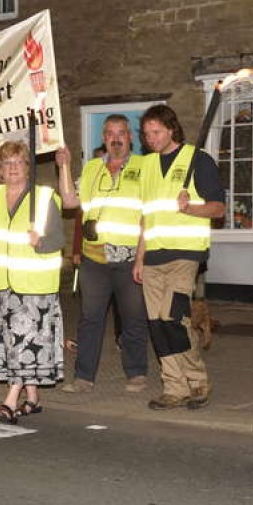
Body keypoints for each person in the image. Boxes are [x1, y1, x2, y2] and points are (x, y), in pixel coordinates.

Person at [133, 104, 225, 410]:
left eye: (156, 131)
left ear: (172, 129)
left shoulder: (197, 160)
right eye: (146, 134)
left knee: (174, 319)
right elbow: (145, 217)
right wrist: (139, 258)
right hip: (153, 257)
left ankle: (197, 382)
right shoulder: (146, 166)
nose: (151, 138)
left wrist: (190, 208)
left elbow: (218, 208)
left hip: (184, 254)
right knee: (157, 324)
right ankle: (173, 387)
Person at [0, 141, 64, 423]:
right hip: (2, 286)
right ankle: (32, 398)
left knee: (24, 344)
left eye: (19, 162)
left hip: (34, 288)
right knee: (13, 344)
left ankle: (11, 401)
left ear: (28, 167)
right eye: (7, 163)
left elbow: (58, 239)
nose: (13, 168)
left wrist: (41, 242)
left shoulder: (44, 197)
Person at [57, 115, 150, 394]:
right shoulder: (92, 169)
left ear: (130, 137)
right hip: (94, 259)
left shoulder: (146, 167)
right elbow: (70, 201)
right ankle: (84, 377)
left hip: (130, 257)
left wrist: (143, 258)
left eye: (121, 133)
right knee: (90, 318)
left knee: (133, 317)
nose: (116, 138)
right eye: (110, 133)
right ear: (104, 138)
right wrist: (64, 167)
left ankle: (136, 373)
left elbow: (149, 215)